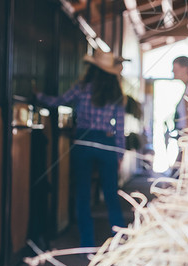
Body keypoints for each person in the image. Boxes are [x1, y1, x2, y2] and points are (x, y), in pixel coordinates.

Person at [37, 50, 126, 248]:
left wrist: (39, 96)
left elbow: (59, 101)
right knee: (111, 194)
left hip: (83, 144)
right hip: (106, 145)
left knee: (82, 194)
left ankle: (87, 243)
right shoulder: (116, 93)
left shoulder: (83, 87)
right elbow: (119, 127)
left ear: (92, 68)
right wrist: (119, 153)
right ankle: (120, 241)